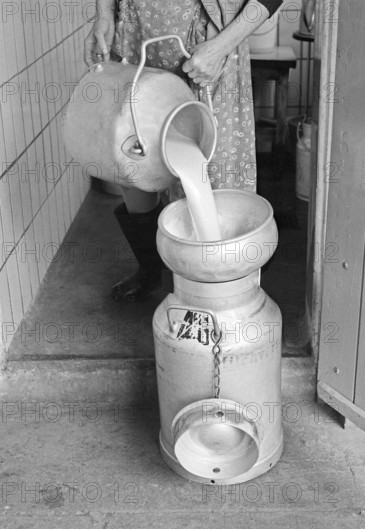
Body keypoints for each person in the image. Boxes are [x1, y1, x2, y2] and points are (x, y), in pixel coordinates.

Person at [84, 0, 283, 302]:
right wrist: (104, 15)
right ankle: (151, 268)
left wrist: (220, 48)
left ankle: (221, 287)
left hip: (206, 43)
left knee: (212, 166)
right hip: (137, 34)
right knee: (134, 155)